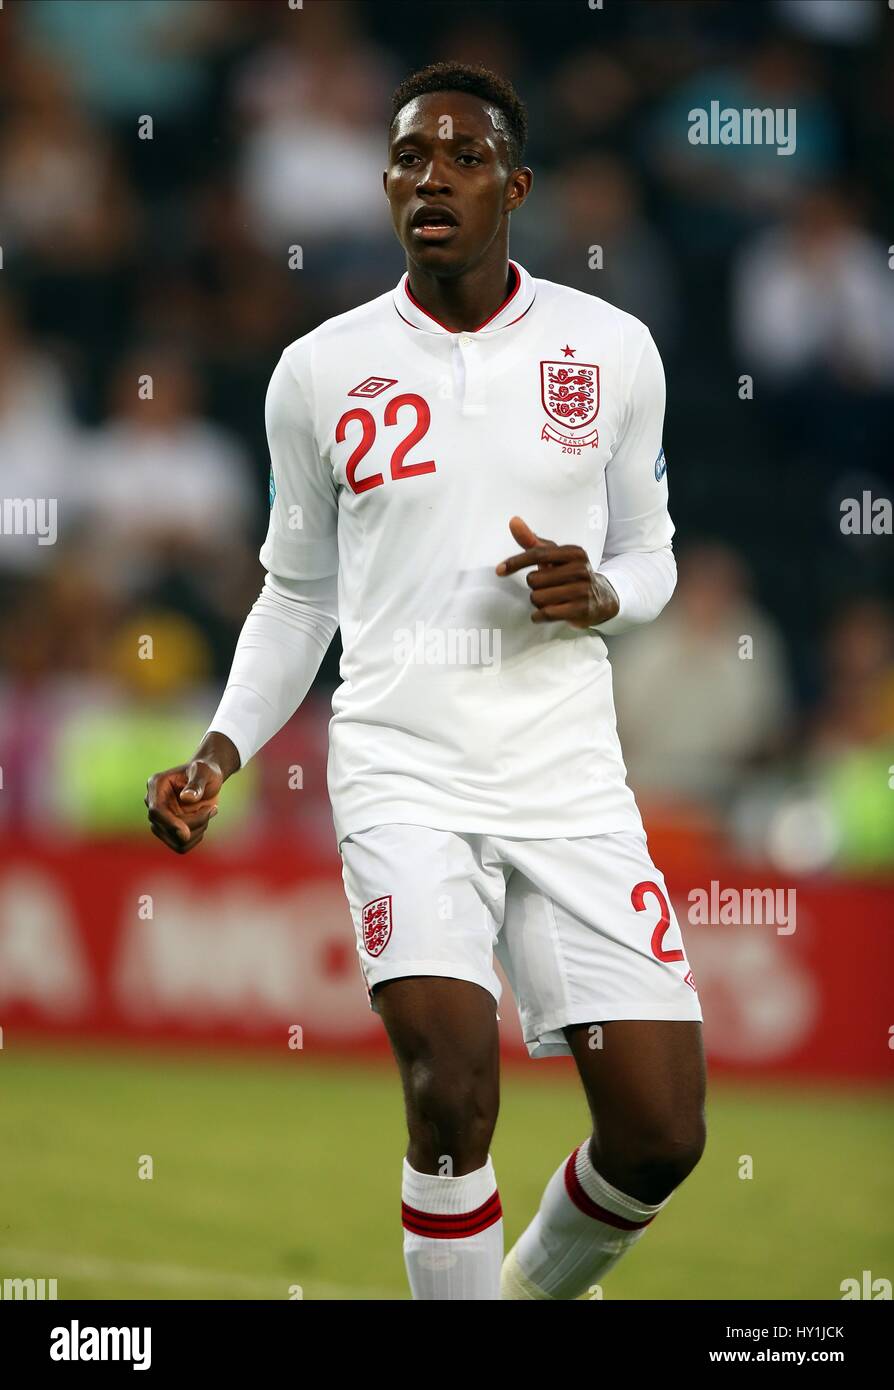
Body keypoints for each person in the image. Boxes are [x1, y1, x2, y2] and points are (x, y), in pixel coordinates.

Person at [145, 62, 705, 1302]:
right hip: (404, 764)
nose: (429, 177)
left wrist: (605, 596)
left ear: (517, 184)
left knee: (662, 1134)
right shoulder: (321, 371)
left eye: (459, 156)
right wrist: (221, 750)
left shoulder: (611, 349)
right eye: (407, 158)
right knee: (451, 1078)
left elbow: (652, 552)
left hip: (566, 772)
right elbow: (296, 596)